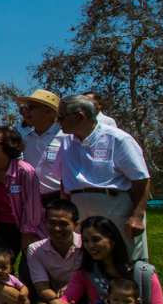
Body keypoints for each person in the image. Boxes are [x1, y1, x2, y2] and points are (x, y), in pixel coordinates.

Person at [55, 95, 150, 261]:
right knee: (86, 259)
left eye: (61, 117)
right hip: (79, 207)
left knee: (124, 257)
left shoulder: (118, 139)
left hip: (113, 206)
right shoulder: (66, 142)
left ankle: (132, 285)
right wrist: (65, 213)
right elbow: (65, 179)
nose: (58, 121)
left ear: (80, 116)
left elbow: (141, 179)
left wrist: (136, 216)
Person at [16, 89, 65, 205]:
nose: (26, 112)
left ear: (48, 111)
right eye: (25, 108)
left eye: (31, 108)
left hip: (58, 200)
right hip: (31, 200)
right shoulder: (26, 139)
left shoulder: (66, 137)